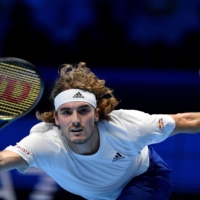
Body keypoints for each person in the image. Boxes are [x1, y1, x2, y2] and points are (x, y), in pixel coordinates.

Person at [0, 62, 200, 200]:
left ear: (96, 114)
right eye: (67, 112)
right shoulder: (44, 142)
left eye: (83, 111)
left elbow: (185, 120)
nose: (76, 120)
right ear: (56, 118)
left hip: (144, 177)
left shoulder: (126, 127)